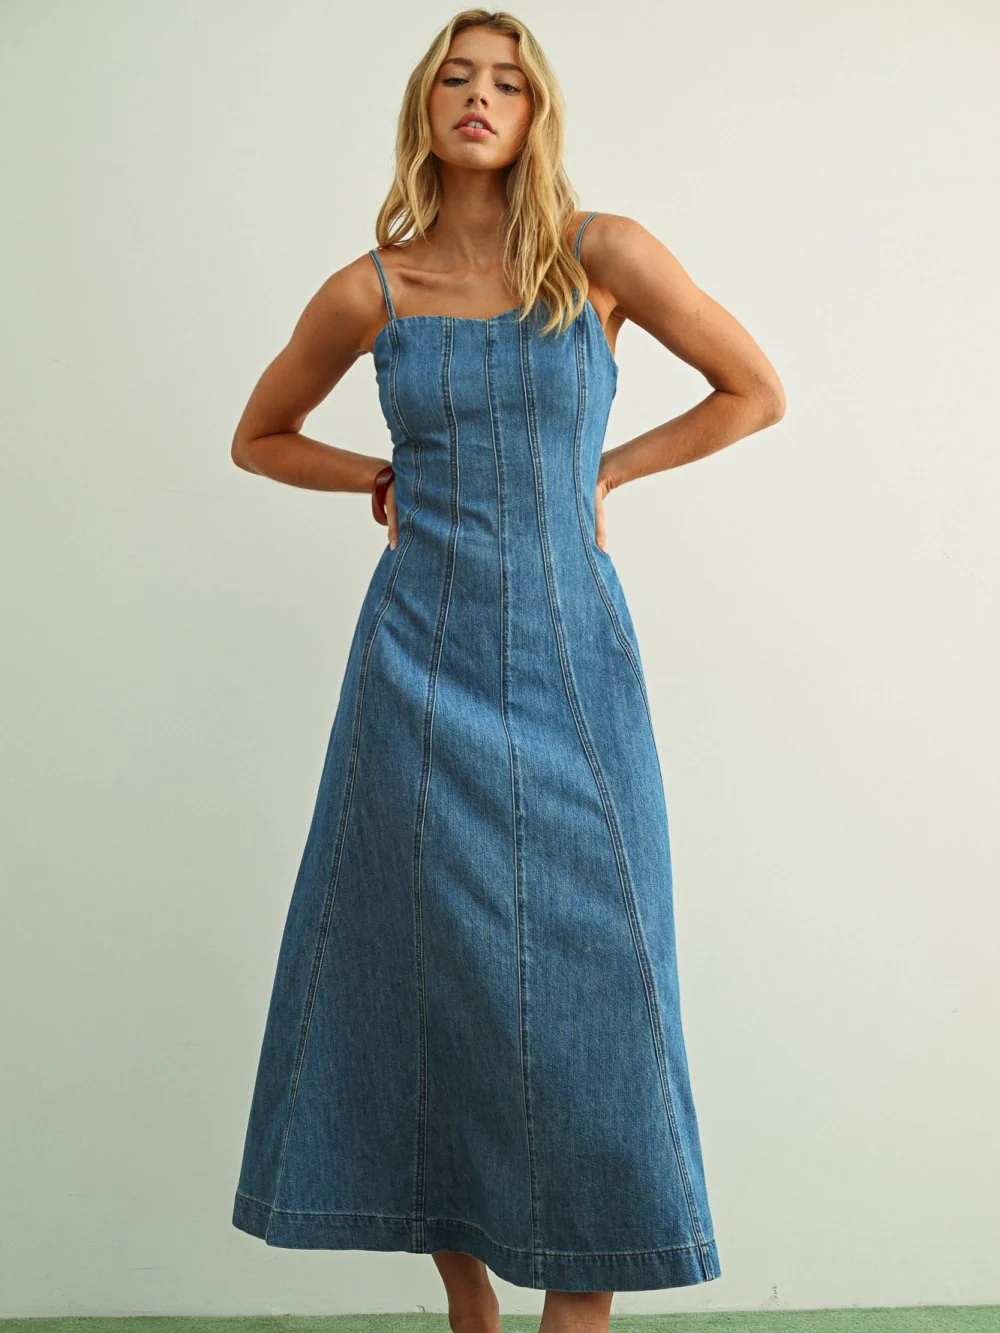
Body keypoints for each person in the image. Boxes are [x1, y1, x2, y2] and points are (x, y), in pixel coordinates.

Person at [229, 8, 785, 1332]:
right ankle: (469, 1300)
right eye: (457, 78)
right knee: (430, 980)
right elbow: (259, 436)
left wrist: (604, 473)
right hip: (415, 672)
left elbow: (752, 390)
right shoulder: (371, 290)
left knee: (600, 982)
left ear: (537, 114)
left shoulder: (602, 256)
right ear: (425, 108)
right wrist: (376, 475)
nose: (481, 96)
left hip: (574, 668)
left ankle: (577, 1306)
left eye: (508, 82)